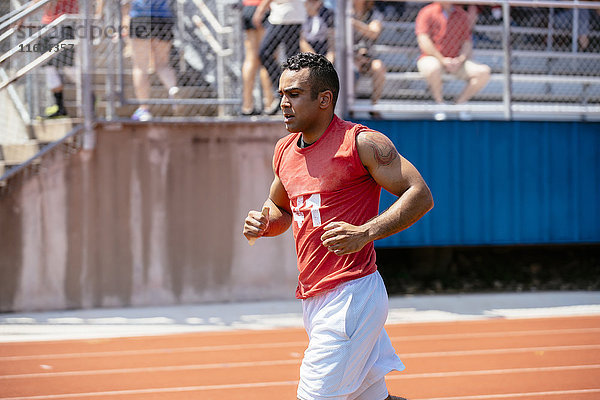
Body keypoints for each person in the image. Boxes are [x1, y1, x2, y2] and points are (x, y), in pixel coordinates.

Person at [243, 52, 433, 400]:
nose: (283, 103)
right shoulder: (285, 150)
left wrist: (366, 232)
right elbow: (280, 209)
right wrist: (263, 222)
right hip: (315, 297)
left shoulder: (361, 143)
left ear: (324, 99)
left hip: (352, 294)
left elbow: (419, 194)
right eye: (282, 93)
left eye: (294, 94)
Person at [415, 1, 491, 121]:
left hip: (456, 61)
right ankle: (440, 104)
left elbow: (467, 42)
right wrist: (442, 60)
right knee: (433, 68)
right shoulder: (427, 12)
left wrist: (460, 60)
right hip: (432, 58)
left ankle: (459, 104)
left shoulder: (461, 14)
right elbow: (423, 40)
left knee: (483, 72)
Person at [18, 0, 79, 118]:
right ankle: (59, 107)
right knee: (49, 67)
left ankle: (89, 97)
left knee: (66, 66)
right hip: (47, 25)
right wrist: (22, 17)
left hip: (64, 23)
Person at [127, 0, 180, 121]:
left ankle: (144, 109)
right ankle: (172, 88)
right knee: (162, 64)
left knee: (140, 66)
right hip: (163, 17)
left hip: (140, 16)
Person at [253, 0, 306, 114]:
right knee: (268, 54)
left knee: (291, 59)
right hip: (285, 15)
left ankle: (290, 92)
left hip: (286, 16)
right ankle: (284, 89)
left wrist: (260, 10)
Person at [352, 0, 386, 119]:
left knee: (379, 67)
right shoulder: (346, 13)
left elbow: (374, 32)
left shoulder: (373, 13)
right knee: (351, 69)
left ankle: (374, 106)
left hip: (368, 58)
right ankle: (349, 107)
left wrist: (353, 23)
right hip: (350, 58)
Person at [241, 0, 276, 116]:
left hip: (248, 7)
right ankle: (269, 103)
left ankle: (247, 105)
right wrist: (261, 10)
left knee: (251, 57)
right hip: (263, 8)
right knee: (267, 58)